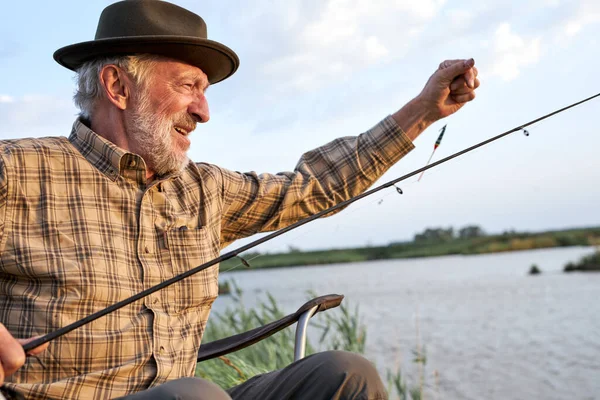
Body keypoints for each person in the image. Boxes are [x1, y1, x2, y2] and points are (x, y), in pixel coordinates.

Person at [0, 1, 479, 399]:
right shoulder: (17, 170)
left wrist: (422, 112)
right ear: (118, 87)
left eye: (205, 93)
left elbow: (314, 186)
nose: (203, 111)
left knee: (344, 374)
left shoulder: (206, 189)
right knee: (193, 395)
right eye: (188, 86)